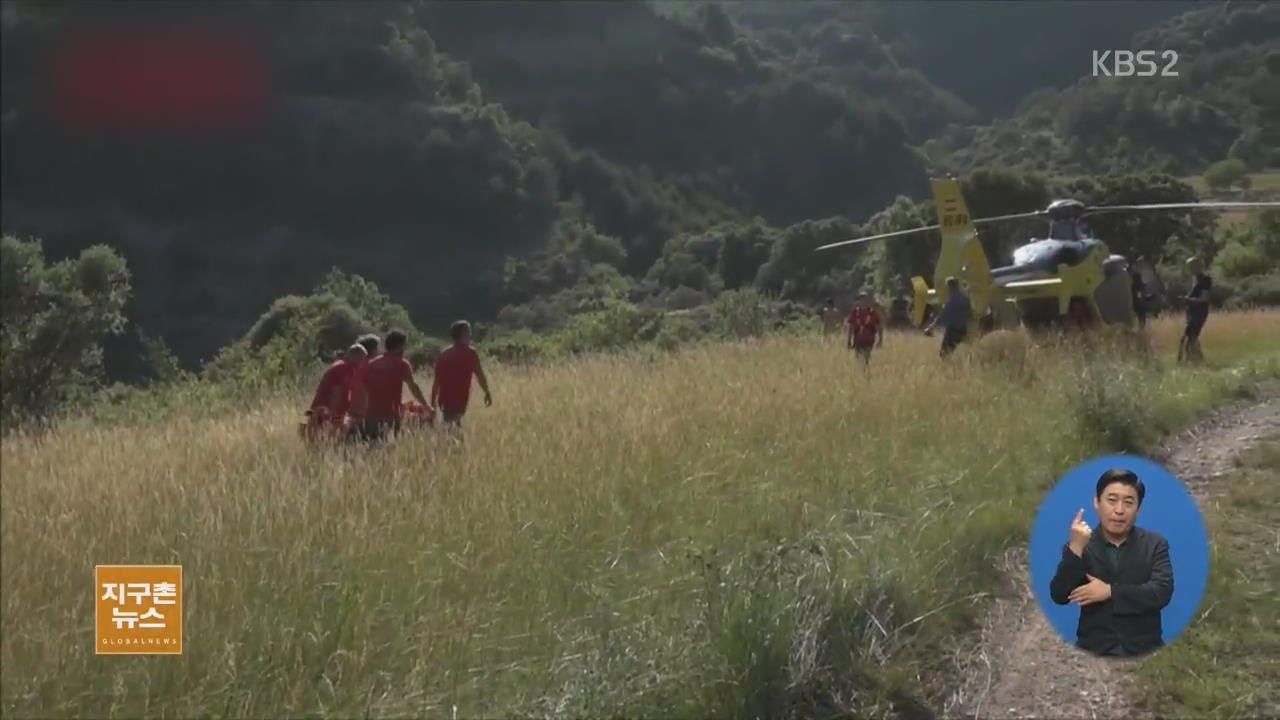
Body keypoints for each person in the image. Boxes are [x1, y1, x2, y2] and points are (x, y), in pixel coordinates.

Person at [1049, 469, 1173, 658]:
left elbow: (1161, 592)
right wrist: (1075, 548)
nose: (1119, 510)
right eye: (1112, 500)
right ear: (1097, 502)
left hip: (1146, 650)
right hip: (1093, 652)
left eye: (1129, 502)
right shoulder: (1082, 545)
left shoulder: (1155, 544)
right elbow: (1059, 595)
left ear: (1138, 509)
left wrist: (1110, 592)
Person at [350, 329, 432, 442]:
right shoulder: (402, 364)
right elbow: (414, 387)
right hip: (390, 417)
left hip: (371, 417)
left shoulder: (371, 364)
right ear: (399, 346)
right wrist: (426, 406)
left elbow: (360, 388)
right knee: (388, 449)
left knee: (372, 451)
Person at [432, 320, 492, 431]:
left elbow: (437, 381)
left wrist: (432, 402)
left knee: (449, 425)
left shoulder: (444, 354)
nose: (470, 335)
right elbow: (480, 375)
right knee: (455, 427)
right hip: (461, 397)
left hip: (444, 398)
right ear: (463, 333)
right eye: (468, 332)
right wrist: (487, 392)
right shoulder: (470, 353)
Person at [924, 277, 971, 357]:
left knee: (944, 354)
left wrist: (930, 328)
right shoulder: (966, 299)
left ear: (950, 287)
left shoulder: (951, 301)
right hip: (964, 330)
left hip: (953, 331)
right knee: (963, 354)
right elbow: (970, 315)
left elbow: (942, 317)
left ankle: (950, 368)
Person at [1179, 256, 1212, 363]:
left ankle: (1191, 362)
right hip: (1193, 312)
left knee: (1190, 338)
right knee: (1192, 338)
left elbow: (1204, 298)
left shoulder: (1205, 280)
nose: (1190, 269)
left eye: (1191, 266)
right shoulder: (1195, 280)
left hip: (1200, 312)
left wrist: (1188, 300)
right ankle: (1198, 361)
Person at [846, 292, 884, 371]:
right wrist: (849, 341)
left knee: (866, 359)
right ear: (859, 301)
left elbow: (879, 327)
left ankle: (865, 372)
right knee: (859, 359)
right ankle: (861, 373)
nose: (864, 302)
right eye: (862, 300)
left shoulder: (873, 313)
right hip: (857, 340)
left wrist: (880, 340)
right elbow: (851, 327)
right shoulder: (855, 313)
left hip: (869, 340)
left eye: (866, 300)